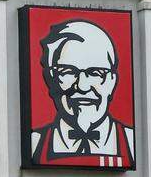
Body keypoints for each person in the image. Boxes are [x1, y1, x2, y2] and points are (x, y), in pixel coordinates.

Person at [29, 19, 134, 167]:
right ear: (51, 79)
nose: (83, 86)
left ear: (112, 81)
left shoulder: (132, 141)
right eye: (68, 72)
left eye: (96, 73)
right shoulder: (34, 144)